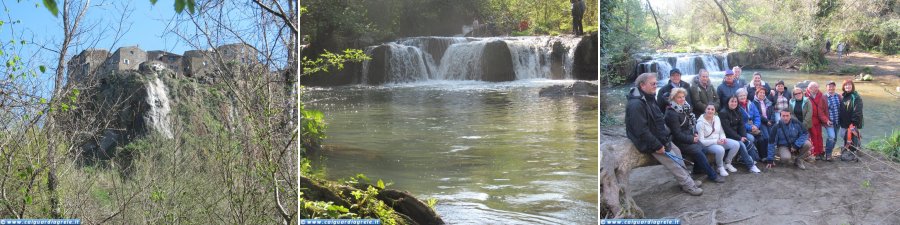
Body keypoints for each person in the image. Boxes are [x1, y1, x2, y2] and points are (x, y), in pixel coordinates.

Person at [626, 73, 703, 195]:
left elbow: (658, 120)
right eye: (653, 84)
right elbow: (641, 130)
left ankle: (688, 180)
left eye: (656, 83)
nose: (656, 86)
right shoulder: (636, 104)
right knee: (673, 162)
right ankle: (689, 186)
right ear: (642, 85)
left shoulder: (649, 97)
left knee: (677, 153)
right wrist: (657, 145)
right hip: (650, 142)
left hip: (661, 137)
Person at [665, 88, 725, 183]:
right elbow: (677, 134)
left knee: (704, 149)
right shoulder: (672, 113)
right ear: (673, 98)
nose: (682, 99)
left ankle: (697, 170)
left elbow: (690, 126)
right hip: (679, 141)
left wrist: (695, 134)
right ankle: (712, 175)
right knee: (699, 152)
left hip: (688, 137)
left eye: (683, 97)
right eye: (679, 97)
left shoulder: (684, 108)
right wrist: (692, 139)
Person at [718, 96, 762, 173]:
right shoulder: (723, 113)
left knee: (748, 139)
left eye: (735, 102)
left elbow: (741, 125)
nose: (734, 103)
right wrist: (739, 137)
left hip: (737, 133)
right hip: (727, 135)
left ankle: (752, 159)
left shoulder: (738, 110)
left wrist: (743, 136)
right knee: (741, 144)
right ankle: (751, 165)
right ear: (728, 102)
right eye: (732, 101)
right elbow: (727, 129)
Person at [737, 88, 769, 161]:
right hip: (744, 129)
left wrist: (756, 125)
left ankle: (763, 157)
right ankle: (755, 157)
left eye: (744, 95)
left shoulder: (751, 104)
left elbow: (757, 116)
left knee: (762, 138)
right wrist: (750, 127)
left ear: (746, 95)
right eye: (740, 96)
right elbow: (740, 121)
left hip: (754, 127)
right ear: (737, 97)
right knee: (753, 138)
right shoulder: (737, 107)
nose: (743, 97)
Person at [838, 79, 864, 158]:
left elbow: (858, 111)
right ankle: (850, 148)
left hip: (852, 123)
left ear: (852, 86)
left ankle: (852, 152)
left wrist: (853, 122)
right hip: (843, 123)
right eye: (846, 85)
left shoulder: (856, 97)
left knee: (851, 137)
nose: (847, 86)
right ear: (843, 87)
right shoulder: (843, 96)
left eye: (849, 85)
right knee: (843, 135)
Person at [805, 82, 831, 160]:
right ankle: (815, 152)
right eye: (814, 87)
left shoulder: (821, 95)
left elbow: (824, 107)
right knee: (813, 135)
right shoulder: (805, 95)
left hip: (819, 119)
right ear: (809, 88)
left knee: (819, 135)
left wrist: (825, 119)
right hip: (810, 119)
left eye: (817, 87)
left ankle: (820, 151)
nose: (816, 89)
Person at [754, 88, 777, 162]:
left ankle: (770, 155)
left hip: (770, 122)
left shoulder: (768, 102)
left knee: (772, 138)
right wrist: (767, 121)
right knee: (766, 137)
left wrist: (772, 121)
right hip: (761, 122)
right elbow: (757, 114)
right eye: (760, 92)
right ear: (757, 93)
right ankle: (764, 156)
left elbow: (773, 112)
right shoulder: (754, 103)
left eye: (763, 93)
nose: (762, 94)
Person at [824, 81, 842, 161]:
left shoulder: (838, 96)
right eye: (829, 86)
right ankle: (828, 155)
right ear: (826, 88)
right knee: (831, 137)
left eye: (833, 86)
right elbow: (820, 111)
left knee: (835, 139)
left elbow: (842, 108)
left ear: (835, 87)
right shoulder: (823, 97)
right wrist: (826, 120)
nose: (831, 88)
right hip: (829, 122)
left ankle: (830, 152)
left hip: (837, 122)